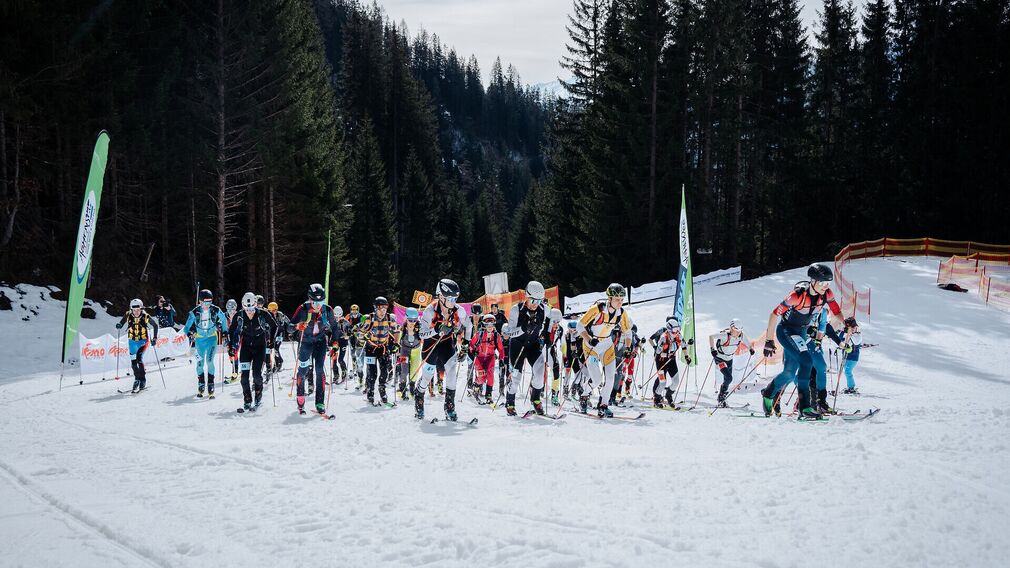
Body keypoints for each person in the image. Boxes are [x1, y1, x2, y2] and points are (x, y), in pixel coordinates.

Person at [761, 263, 844, 418]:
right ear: (813, 281)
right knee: (806, 361)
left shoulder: (826, 294)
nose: (826, 286)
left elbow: (836, 311)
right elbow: (774, 315)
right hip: (786, 331)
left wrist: (846, 324)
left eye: (828, 283)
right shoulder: (797, 295)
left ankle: (768, 394)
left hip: (801, 333)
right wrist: (769, 341)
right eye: (823, 283)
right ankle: (804, 407)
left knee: (789, 373)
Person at [413, 278, 472, 421]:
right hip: (431, 345)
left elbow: (469, 326)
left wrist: (465, 345)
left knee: (451, 373)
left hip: (446, 344)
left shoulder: (459, 310)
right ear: (441, 297)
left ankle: (449, 406)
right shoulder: (430, 310)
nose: (453, 302)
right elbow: (421, 334)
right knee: (427, 375)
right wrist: (437, 330)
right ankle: (419, 396)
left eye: (455, 298)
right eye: (450, 298)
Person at [575, 283, 634, 417]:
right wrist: (589, 339)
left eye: (622, 299)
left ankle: (603, 405)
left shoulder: (622, 313)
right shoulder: (598, 309)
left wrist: (628, 348)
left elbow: (628, 332)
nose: (620, 302)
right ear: (610, 299)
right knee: (596, 380)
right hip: (592, 347)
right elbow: (580, 325)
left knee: (610, 378)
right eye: (617, 299)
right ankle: (584, 396)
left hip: (607, 345)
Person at [287, 284, 336, 415]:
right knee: (303, 370)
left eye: (321, 301)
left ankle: (319, 401)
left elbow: (335, 327)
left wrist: (335, 343)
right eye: (315, 301)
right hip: (306, 343)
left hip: (320, 343)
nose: (318, 305)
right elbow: (289, 327)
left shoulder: (327, 310)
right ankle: (300, 395)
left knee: (319, 370)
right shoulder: (303, 308)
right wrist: (298, 326)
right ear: (310, 299)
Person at [504, 281, 550, 416]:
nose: (535, 303)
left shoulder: (544, 309)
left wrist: (548, 334)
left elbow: (551, 319)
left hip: (533, 344)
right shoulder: (516, 309)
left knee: (540, 371)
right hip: (518, 345)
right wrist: (523, 329)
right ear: (526, 296)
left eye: (539, 300)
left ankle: (535, 398)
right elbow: (509, 333)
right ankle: (510, 401)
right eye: (533, 300)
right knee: (516, 376)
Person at [228, 292, 277, 411]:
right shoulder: (239, 315)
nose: (250, 311)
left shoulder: (263, 314)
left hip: (260, 347)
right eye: (247, 308)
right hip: (246, 348)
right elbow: (232, 331)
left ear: (256, 305)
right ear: (243, 306)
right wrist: (231, 347)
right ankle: (247, 399)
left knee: (256, 375)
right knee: (244, 377)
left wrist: (271, 341)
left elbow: (274, 326)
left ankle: (258, 396)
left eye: (252, 308)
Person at [181, 289, 229, 398]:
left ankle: (211, 384)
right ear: (200, 302)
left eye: (209, 302)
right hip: (200, 340)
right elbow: (186, 328)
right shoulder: (194, 312)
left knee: (210, 361)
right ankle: (201, 383)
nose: (207, 305)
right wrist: (190, 333)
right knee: (200, 363)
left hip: (212, 339)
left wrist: (225, 332)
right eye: (204, 303)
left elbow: (224, 320)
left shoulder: (215, 310)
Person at [358, 296, 399, 406]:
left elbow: (396, 331)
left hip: (383, 348)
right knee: (372, 373)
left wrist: (395, 343)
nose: (383, 311)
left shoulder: (391, 318)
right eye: (380, 309)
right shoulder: (369, 318)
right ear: (375, 308)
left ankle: (382, 390)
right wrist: (364, 336)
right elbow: (360, 334)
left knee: (384, 371)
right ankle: (370, 392)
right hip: (371, 349)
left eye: (385, 309)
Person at [116, 298, 159, 393]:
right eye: (134, 310)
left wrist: (155, 338)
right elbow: (122, 322)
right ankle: (137, 379)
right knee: (133, 362)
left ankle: (142, 380)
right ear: (131, 309)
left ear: (141, 309)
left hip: (143, 341)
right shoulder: (128, 314)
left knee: (139, 358)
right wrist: (119, 325)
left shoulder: (145, 316)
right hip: (132, 341)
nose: (136, 312)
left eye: (138, 310)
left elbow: (155, 325)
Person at [708, 318, 754, 407]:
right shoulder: (725, 335)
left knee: (727, 380)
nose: (738, 333)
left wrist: (751, 349)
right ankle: (721, 397)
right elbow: (711, 337)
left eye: (740, 331)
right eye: (736, 331)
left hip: (729, 359)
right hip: (720, 358)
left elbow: (748, 343)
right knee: (729, 378)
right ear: (731, 328)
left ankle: (721, 398)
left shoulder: (741, 336)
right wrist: (712, 349)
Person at [649, 318, 691, 408]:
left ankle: (668, 395)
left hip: (671, 361)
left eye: (677, 329)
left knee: (676, 382)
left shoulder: (678, 336)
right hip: (661, 361)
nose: (676, 332)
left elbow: (683, 346)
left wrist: (687, 356)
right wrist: (667, 355)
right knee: (662, 383)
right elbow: (658, 353)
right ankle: (656, 399)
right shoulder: (663, 337)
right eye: (674, 330)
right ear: (669, 329)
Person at [469, 313, 505, 404]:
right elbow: (471, 345)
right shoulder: (479, 334)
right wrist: (473, 351)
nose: (490, 327)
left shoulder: (496, 336)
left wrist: (501, 359)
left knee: (490, 376)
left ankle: (488, 394)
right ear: (484, 325)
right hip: (479, 358)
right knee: (481, 377)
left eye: (492, 325)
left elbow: (501, 349)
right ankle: (476, 387)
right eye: (488, 325)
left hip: (490, 357)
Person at [396, 307, 422, 399]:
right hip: (404, 351)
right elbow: (398, 341)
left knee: (414, 371)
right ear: (406, 318)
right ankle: (402, 389)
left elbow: (425, 337)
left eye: (414, 320)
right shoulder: (402, 328)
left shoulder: (420, 327)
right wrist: (396, 350)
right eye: (410, 320)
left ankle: (412, 389)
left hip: (416, 351)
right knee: (404, 370)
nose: (412, 323)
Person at [832, 316, 862, 394]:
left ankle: (851, 387)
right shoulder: (847, 334)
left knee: (848, 371)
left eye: (854, 328)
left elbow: (855, 342)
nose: (852, 329)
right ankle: (850, 387)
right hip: (846, 357)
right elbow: (839, 341)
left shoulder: (858, 336)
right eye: (851, 328)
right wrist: (843, 332)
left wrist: (849, 333)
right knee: (846, 371)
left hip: (853, 357)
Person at [544, 308, 564, 405]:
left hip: (550, 349)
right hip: (541, 349)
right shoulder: (544, 327)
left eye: (558, 321)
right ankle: (535, 393)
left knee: (556, 368)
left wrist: (565, 354)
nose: (556, 324)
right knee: (539, 372)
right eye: (554, 321)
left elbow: (562, 342)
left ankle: (554, 394)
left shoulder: (560, 329)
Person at [562, 320, 585, 399]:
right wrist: (565, 358)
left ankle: (573, 392)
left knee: (578, 376)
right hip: (567, 357)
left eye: (575, 329)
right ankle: (565, 391)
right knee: (567, 375)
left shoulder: (579, 336)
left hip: (576, 358)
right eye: (571, 329)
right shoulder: (566, 336)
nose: (573, 331)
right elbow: (562, 347)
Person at [266, 301, 289, 374]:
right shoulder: (268, 315)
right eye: (271, 311)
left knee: (276, 348)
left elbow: (288, 322)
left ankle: (278, 362)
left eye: (274, 310)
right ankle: (275, 363)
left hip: (280, 334)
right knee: (271, 349)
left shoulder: (280, 315)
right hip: (273, 335)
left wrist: (291, 331)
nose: (273, 312)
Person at [330, 306, 350, 385]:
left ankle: (344, 372)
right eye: (336, 316)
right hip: (335, 342)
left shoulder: (346, 322)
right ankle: (336, 375)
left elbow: (350, 331)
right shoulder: (332, 321)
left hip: (343, 342)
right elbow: (328, 330)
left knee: (340, 359)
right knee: (334, 358)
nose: (337, 318)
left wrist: (348, 335)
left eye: (339, 316)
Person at [224, 298, 239, 383]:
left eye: (232, 308)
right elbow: (219, 322)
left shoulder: (238, 315)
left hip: (237, 336)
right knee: (230, 355)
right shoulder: (225, 315)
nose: (231, 310)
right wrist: (219, 325)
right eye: (229, 308)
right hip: (228, 336)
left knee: (235, 352)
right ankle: (234, 368)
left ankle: (235, 373)